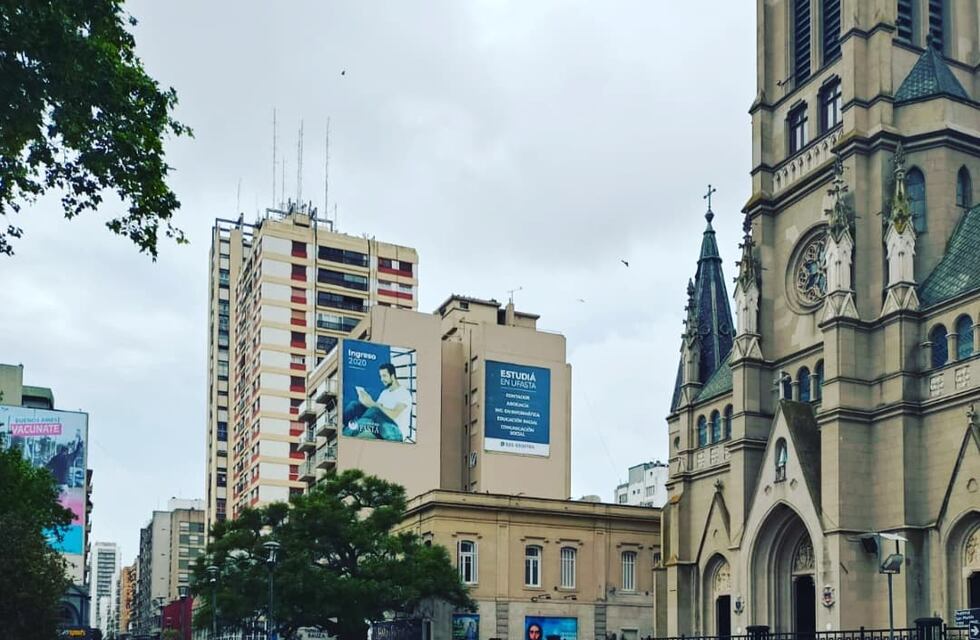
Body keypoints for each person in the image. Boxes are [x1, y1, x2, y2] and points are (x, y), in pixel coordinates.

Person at [342, 363, 412, 442]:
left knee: (371, 415)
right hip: (380, 425)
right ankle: (341, 427)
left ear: (392, 376)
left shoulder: (403, 392)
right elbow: (375, 409)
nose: (382, 379)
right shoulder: (385, 392)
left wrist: (373, 404)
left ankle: (344, 435)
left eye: (384, 376)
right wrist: (366, 402)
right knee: (354, 405)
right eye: (381, 376)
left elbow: (394, 414)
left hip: (395, 432)